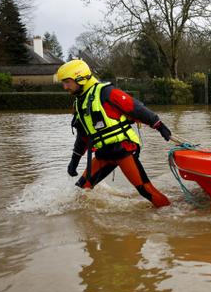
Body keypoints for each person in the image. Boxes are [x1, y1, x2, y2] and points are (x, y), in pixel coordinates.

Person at [56, 59, 173, 208]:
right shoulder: (80, 103)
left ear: (80, 78)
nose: (64, 87)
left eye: (67, 82)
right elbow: (83, 136)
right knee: (81, 190)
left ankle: (173, 211)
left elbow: (136, 108)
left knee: (145, 190)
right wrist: (74, 161)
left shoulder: (106, 93)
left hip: (123, 149)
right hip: (103, 154)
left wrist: (159, 125)